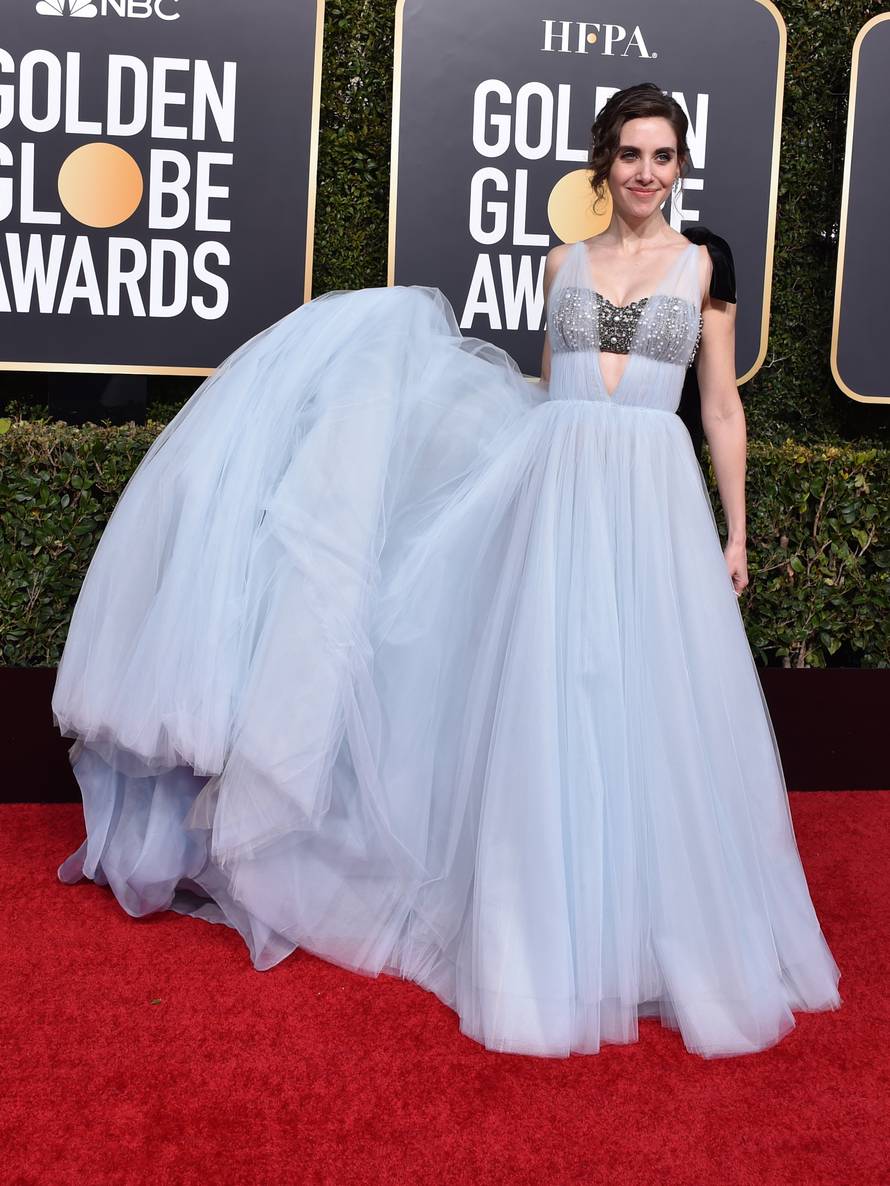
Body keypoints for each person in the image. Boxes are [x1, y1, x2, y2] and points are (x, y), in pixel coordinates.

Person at [53, 82, 841, 1058]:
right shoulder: (563, 263)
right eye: (630, 154)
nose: (646, 172)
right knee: (552, 697)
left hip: (653, 500)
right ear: (604, 163)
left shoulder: (701, 268)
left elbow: (718, 408)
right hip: (559, 493)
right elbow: (551, 398)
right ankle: (540, 934)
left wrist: (735, 534)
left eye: (663, 156)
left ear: (679, 165)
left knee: (653, 704)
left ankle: (650, 930)